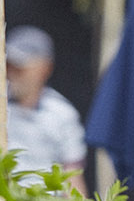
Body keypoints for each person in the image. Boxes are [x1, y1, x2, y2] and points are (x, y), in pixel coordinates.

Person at [5, 25, 86, 191]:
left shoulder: (62, 114)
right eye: (9, 65)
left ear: (45, 68)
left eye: (21, 67)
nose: (12, 73)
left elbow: (72, 178)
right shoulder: (2, 105)